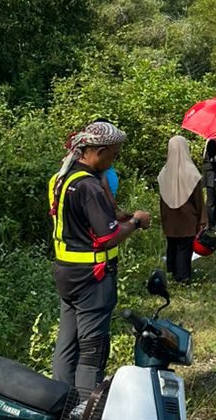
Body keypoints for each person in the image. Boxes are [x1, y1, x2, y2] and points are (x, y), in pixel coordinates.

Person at [49, 121, 151, 400]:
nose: (114, 160)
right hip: (92, 277)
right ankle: (85, 407)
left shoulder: (63, 178)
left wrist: (117, 215)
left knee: (67, 343)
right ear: (100, 151)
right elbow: (108, 237)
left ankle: (60, 402)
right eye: (113, 154)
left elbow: (82, 220)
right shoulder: (89, 187)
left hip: (67, 273)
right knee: (92, 349)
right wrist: (135, 222)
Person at [157, 136, 207, 283]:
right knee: (184, 248)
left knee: (171, 246)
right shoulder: (192, 172)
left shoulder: (164, 173)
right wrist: (202, 220)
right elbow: (199, 200)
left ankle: (171, 273)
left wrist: (163, 218)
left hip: (169, 218)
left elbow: (162, 200)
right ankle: (183, 278)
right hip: (188, 218)